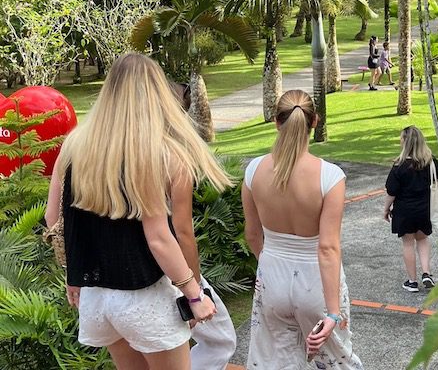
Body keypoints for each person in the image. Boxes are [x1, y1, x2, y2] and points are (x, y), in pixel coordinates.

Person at [45, 53, 231, 370]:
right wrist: (194, 293)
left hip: (98, 299)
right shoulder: (164, 154)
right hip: (148, 298)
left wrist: (73, 274)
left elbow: (54, 220)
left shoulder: (76, 144)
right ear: (157, 93)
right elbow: (169, 237)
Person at [242, 89, 363, 369]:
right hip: (316, 283)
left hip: (272, 276)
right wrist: (333, 312)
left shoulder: (253, 171)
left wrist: (272, 265)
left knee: (273, 362)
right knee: (337, 362)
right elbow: (327, 247)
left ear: (276, 122)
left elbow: (252, 234)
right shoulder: (330, 177)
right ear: (315, 121)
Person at [169, 81, 237, 370]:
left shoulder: (107, 150)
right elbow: (182, 229)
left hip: (118, 278)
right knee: (221, 339)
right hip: (169, 266)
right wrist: (194, 290)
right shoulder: (172, 156)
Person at [383, 126, 438, 292]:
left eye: (401, 138)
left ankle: (412, 281)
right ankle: (426, 273)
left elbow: (391, 192)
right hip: (425, 209)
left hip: (405, 211)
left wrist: (385, 210)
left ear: (406, 142)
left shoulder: (399, 166)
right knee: (423, 240)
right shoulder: (431, 162)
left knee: (408, 244)